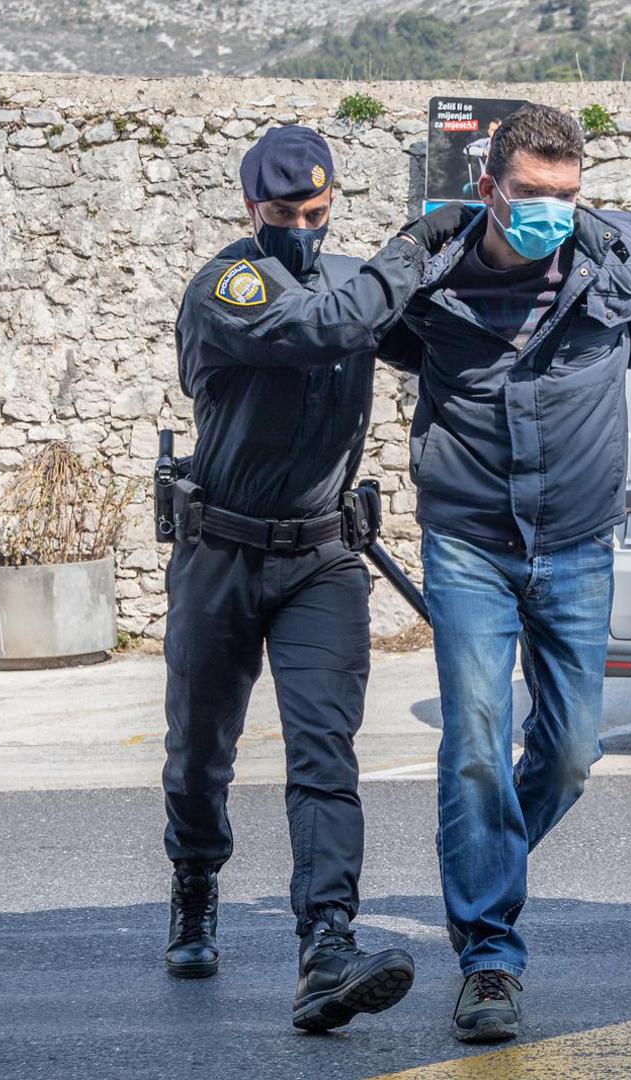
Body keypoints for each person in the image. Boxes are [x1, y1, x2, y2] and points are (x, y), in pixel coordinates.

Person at [377, 103, 631, 1042]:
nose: (551, 210)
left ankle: (482, 866)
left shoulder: (616, 262)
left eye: (567, 194)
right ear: (488, 188)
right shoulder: (432, 282)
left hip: (580, 545)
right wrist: (405, 243)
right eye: (532, 194)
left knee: (574, 753)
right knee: (474, 739)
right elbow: (374, 325)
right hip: (470, 544)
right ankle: (489, 958)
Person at [162, 124, 464, 1032]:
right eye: (285, 211)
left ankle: (327, 945)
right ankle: (194, 884)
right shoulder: (230, 286)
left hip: (325, 558)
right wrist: (415, 245)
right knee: (198, 750)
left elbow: (443, 343)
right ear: (251, 209)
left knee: (327, 755)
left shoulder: (351, 285)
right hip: (221, 551)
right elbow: (327, 328)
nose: (304, 224)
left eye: (318, 209)